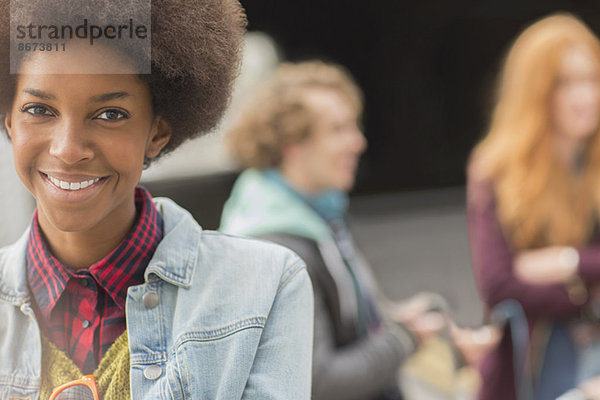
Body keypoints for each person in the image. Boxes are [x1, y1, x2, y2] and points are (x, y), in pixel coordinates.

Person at [0, 1, 314, 399]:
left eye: (110, 114)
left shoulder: (265, 286)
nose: (67, 149)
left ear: (157, 132)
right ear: (9, 120)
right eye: (39, 109)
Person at [219, 60, 446, 400]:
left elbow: (341, 324)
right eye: (338, 130)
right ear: (290, 145)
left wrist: (392, 317)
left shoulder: (317, 212)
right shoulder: (276, 250)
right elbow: (321, 382)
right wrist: (404, 339)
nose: (358, 143)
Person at [467, 13, 600, 400]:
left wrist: (565, 261)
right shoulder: (496, 168)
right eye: (566, 83)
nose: (585, 96)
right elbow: (499, 286)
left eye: (592, 79)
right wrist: (587, 297)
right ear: (535, 91)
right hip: (526, 370)